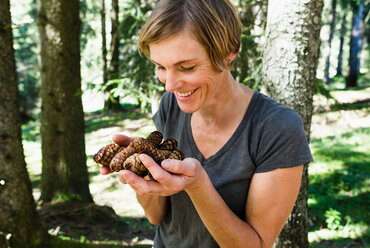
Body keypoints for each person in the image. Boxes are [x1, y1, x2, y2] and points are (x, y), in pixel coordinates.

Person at [100, 0, 313, 247]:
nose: (169, 85)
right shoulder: (171, 105)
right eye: (160, 66)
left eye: (187, 67)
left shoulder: (277, 128)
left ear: (228, 52)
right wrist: (139, 171)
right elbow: (155, 216)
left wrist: (198, 185)